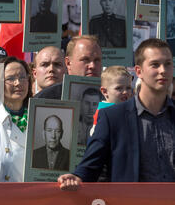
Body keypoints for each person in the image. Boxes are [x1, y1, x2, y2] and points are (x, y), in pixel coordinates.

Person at [58, 38, 175, 189]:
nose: (163, 70)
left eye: (168, 64)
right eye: (155, 65)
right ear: (139, 71)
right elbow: (91, 166)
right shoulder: (113, 117)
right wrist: (76, 177)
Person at [34, 35, 102, 100]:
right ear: (68, 63)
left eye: (97, 60)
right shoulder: (46, 98)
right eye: (85, 59)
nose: (92, 66)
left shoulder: (110, 95)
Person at [90, 66, 133, 136]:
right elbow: (95, 134)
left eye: (128, 88)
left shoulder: (128, 108)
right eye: (119, 88)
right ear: (105, 91)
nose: (125, 92)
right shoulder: (104, 111)